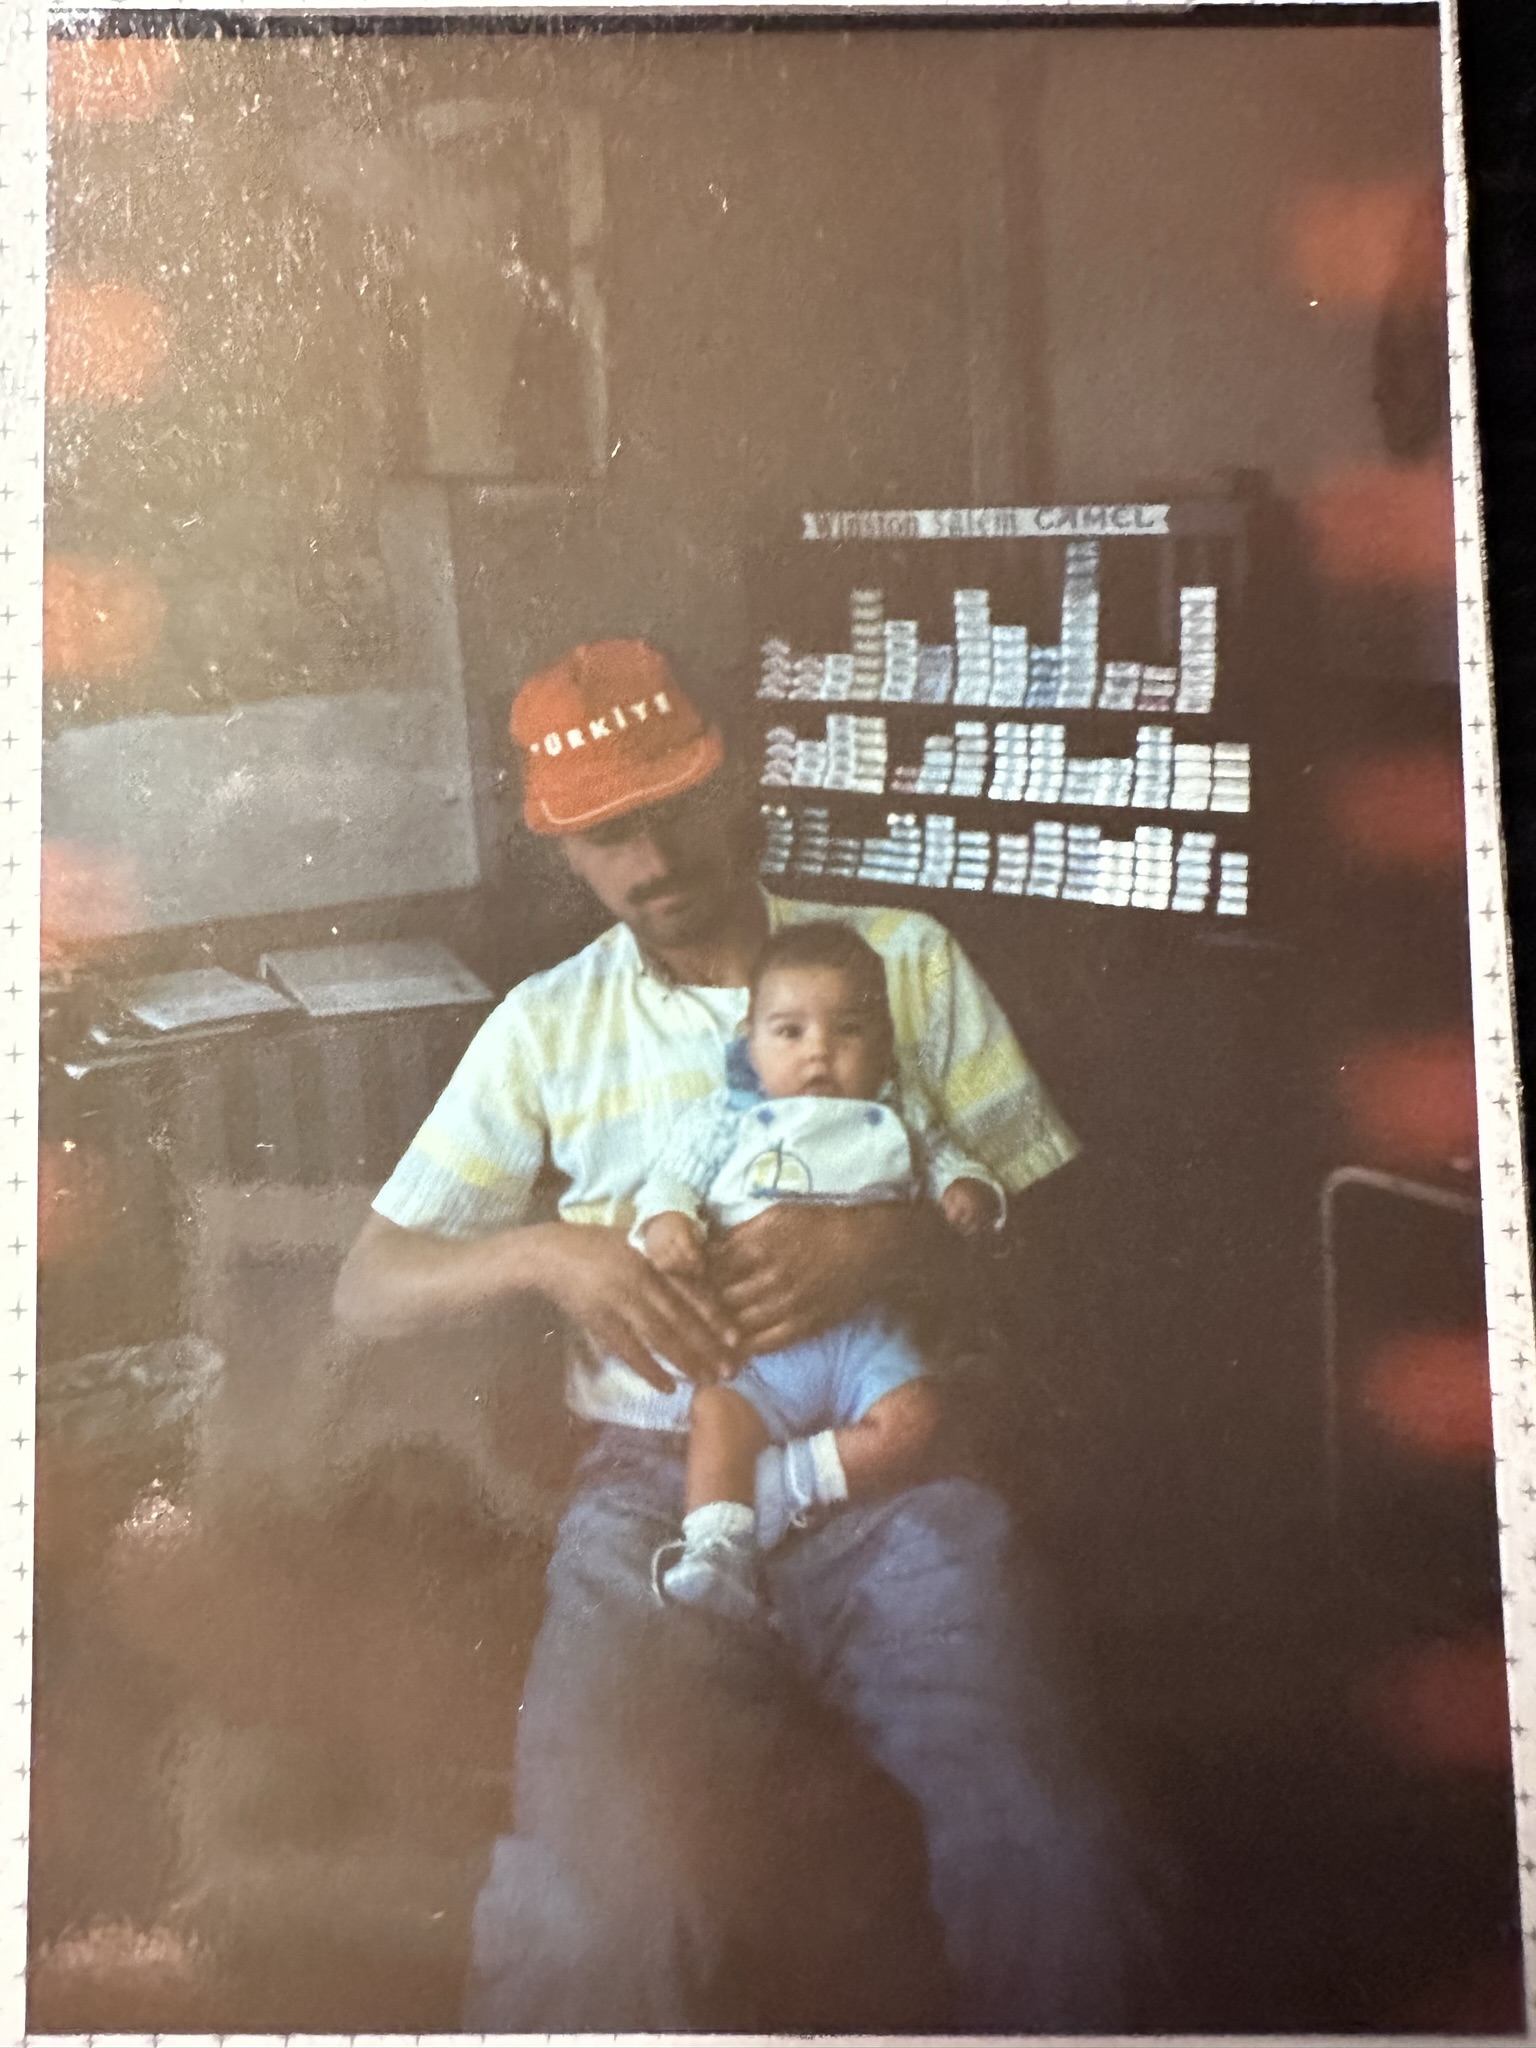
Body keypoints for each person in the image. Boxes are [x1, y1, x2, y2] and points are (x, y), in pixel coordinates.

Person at [333, 637, 1145, 2031]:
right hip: (651, 1492)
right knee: (596, 1903)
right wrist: (545, 1251)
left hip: (896, 1470)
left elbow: (1073, 1250)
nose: (649, 860)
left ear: (737, 781)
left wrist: (900, 1241)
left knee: (1058, 1845)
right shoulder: (550, 1025)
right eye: (605, 836)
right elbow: (370, 1280)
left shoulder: (901, 962)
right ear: (569, 853)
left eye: (669, 809)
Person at [636, 917, 1003, 1620]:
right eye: (790, 1032)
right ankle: (715, 1548)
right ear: (750, 1042)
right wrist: (670, 1223)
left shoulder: (898, 1110)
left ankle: (784, 1488)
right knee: (717, 1412)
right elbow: (671, 1180)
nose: (820, 1054)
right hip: (762, 1350)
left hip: (868, 1334)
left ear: (885, 1045)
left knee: (916, 1421)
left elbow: (945, 1160)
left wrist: (966, 1190)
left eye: (850, 1031)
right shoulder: (728, 1117)